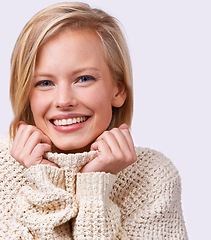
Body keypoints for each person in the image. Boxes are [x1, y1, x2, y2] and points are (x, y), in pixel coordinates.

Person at [0, 2, 188, 239]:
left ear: (118, 90)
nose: (64, 100)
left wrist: (94, 188)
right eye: (45, 83)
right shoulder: (3, 171)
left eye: (84, 79)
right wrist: (44, 181)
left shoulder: (153, 176)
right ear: (26, 94)